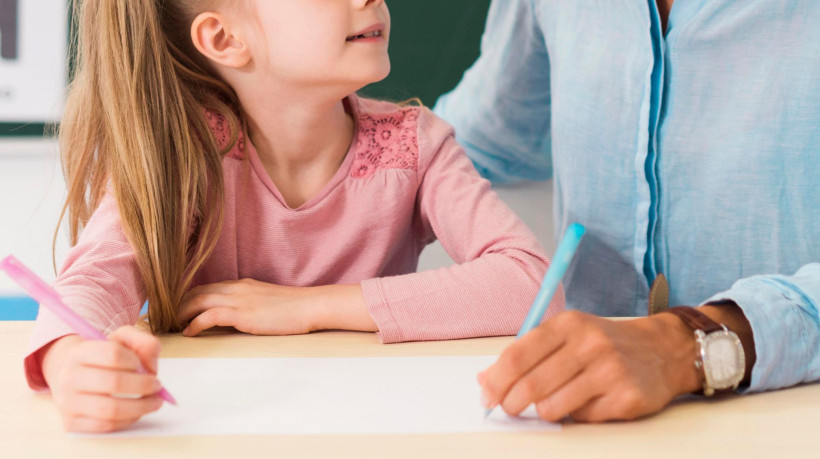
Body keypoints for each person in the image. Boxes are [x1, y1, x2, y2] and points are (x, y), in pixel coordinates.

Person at [25, 0, 564, 433]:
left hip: (379, 425)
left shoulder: (417, 144)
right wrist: (69, 362)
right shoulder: (180, 155)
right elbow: (93, 281)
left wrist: (308, 307)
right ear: (224, 40)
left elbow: (532, 282)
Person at [435, 0, 820, 422]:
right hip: (580, 418)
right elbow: (492, 132)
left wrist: (682, 346)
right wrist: (359, 147)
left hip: (786, 419)